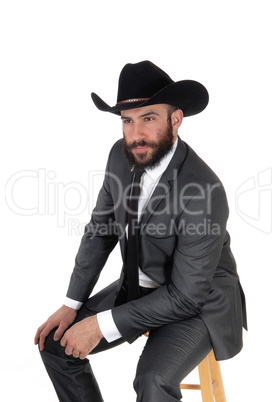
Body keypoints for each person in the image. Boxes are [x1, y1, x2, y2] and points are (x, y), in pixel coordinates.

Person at [35, 60, 247, 402]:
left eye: (148, 118)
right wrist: (71, 304)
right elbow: (100, 231)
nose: (135, 134)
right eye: (127, 121)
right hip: (140, 285)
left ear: (175, 120)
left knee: (152, 380)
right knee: (55, 345)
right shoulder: (119, 158)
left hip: (199, 300)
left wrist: (99, 325)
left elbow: (185, 296)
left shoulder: (203, 191)